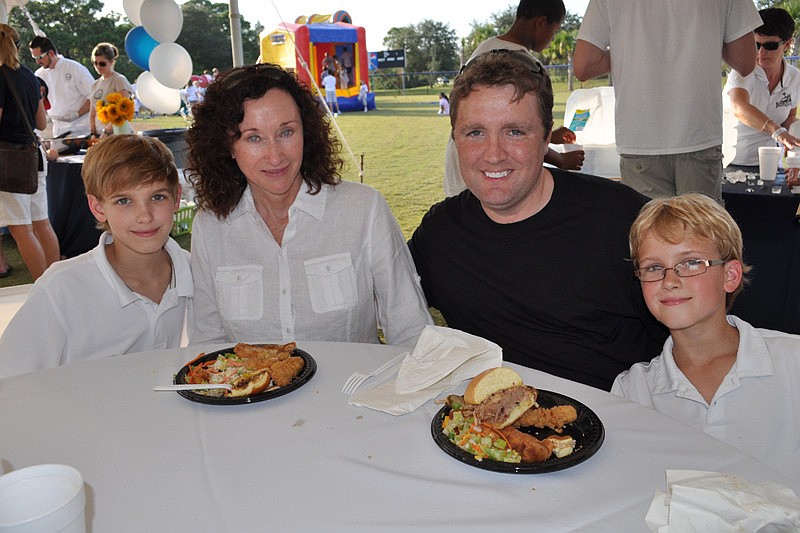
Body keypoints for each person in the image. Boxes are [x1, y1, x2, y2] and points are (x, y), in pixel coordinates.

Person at [409, 50, 667, 391]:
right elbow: (379, 295)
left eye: (515, 131)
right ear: (454, 138)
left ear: (547, 137)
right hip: (494, 431)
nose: (493, 153)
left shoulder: (625, 222)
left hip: (616, 419)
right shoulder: (440, 235)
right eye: (475, 133)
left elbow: (699, 336)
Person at [185, 64, 432, 348]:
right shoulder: (210, 227)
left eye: (286, 132)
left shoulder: (364, 209)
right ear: (228, 146)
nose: (275, 156)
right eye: (254, 138)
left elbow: (411, 330)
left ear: (307, 132)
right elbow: (208, 342)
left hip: (357, 391)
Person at [612, 193, 800, 479]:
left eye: (690, 263)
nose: (670, 281)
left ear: (730, 275)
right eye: (653, 267)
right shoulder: (633, 391)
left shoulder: (793, 361)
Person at [0, 134, 193, 378]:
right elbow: (9, 379)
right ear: (98, 208)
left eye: (157, 197)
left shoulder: (191, 270)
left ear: (176, 198)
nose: (144, 216)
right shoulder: (61, 288)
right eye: (124, 201)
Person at [573, 0, 761, 201]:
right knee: (701, 231)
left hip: (640, 137)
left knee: (649, 230)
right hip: (698, 134)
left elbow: (584, 65)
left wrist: (627, 51)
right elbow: (745, 61)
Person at [443, 0, 584, 197]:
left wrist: (549, 136)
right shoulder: (521, 62)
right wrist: (559, 159)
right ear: (541, 22)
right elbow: (505, 128)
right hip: (483, 178)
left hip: (464, 167)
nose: (552, 38)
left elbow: (501, 124)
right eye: (554, 31)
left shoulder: (487, 48)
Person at [0, 24, 58, 281]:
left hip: (9, 160)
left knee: (22, 230)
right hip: (33, 155)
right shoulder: (29, 76)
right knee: (41, 224)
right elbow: (42, 123)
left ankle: (43, 287)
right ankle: (56, 283)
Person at [723, 8, 800, 172]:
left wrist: (794, 142)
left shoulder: (794, 77)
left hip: (770, 164)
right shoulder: (742, 71)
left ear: (788, 44)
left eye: (770, 46)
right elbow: (739, 108)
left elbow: (790, 116)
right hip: (731, 163)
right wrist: (778, 132)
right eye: (756, 44)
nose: (760, 52)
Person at [29, 36, 94, 137]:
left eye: (40, 57)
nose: (37, 62)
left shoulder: (75, 68)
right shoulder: (39, 74)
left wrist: (77, 114)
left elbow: (94, 97)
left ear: (51, 53)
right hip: (58, 130)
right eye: (35, 58)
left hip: (82, 129)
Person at [87, 42, 133, 137]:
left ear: (111, 62)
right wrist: (93, 132)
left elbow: (123, 110)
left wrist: (107, 131)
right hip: (100, 134)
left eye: (102, 63)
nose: (98, 66)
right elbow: (92, 111)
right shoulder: (95, 84)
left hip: (118, 133)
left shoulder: (119, 80)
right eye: (95, 63)